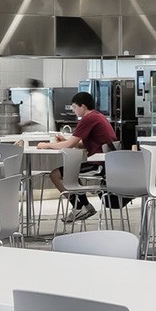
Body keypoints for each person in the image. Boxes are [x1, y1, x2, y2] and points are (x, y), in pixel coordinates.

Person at [41, 92, 116, 221]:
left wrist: (46, 145)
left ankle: (78, 207)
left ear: (83, 107)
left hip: (99, 165)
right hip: (107, 162)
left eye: (74, 107)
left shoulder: (88, 118)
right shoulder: (98, 116)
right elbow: (80, 144)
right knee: (71, 173)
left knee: (55, 175)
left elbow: (70, 145)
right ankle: (84, 206)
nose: (73, 110)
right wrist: (64, 140)